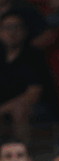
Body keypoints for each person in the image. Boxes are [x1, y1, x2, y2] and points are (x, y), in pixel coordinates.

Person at [0, 10, 47, 143]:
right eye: (7, 28)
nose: (11, 32)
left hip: (33, 108)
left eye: (16, 27)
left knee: (19, 111)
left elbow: (33, 95)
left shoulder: (34, 56)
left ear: (24, 31)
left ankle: (22, 151)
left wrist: (2, 109)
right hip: (3, 107)